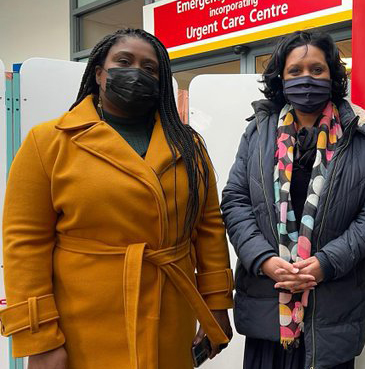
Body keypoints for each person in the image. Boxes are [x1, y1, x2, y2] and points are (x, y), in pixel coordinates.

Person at [0, 29, 234, 368]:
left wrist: (216, 306)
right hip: (83, 324)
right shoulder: (48, 141)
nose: (136, 72)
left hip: (170, 316)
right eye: (124, 62)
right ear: (99, 73)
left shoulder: (188, 145)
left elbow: (210, 226)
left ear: (161, 80)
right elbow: (25, 243)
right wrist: (39, 341)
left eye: (150, 68)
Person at [221, 30, 365, 369]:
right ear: (280, 77)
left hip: (332, 306)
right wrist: (265, 260)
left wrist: (325, 264)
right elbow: (235, 200)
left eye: (317, 70)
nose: (307, 79)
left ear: (332, 75)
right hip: (268, 304)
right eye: (295, 71)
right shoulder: (257, 131)